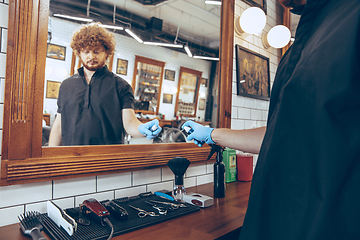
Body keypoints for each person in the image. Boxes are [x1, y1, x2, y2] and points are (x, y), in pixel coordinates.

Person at [183, 0, 360, 239]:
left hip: (329, 222)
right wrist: (212, 133)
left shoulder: (350, 18)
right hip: (278, 216)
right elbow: (282, 134)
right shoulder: (300, 45)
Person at [49, 22, 161, 146]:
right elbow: (59, 124)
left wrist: (142, 129)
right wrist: (50, 158)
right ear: (79, 53)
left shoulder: (121, 86)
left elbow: (129, 123)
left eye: (96, 51)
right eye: (86, 52)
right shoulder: (66, 85)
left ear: (107, 53)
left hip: (107, 159)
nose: (91, 56)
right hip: (70, 157)